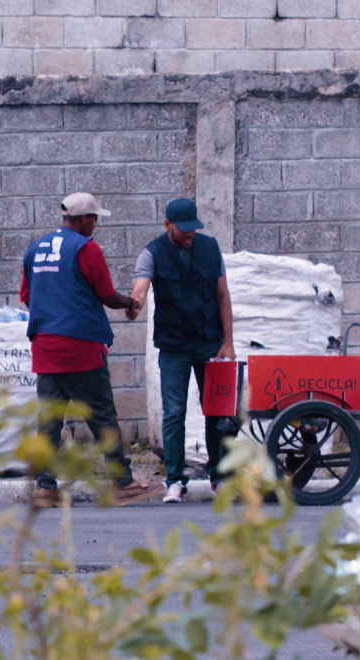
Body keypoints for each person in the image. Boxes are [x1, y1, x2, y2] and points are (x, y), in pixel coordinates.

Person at [20, 192, 162, 508]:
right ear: (83, 218)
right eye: (94, 218)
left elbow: (28, 297)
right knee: (102, 416)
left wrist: (53, 313)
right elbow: (107, 294)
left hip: (45, 346)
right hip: (81, 346)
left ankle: (45, 488)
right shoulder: (86, 248)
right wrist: (131, 302)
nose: (96, 224)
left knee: (49, 421)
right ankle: (123, 483)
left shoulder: (36, 248)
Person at [128, 198, 235, 504]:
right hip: (173, 345)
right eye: (184, 230)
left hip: (209, 343)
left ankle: (220, 477)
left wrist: (228, 342)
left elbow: (222, 295)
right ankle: (175, 479)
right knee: (174, 413)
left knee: (218, 411)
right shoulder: (152, 253)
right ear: (167, 225)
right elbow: (141, 287)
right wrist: (134, 304)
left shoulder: (210, 248)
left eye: (193, 230)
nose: (190, 235)